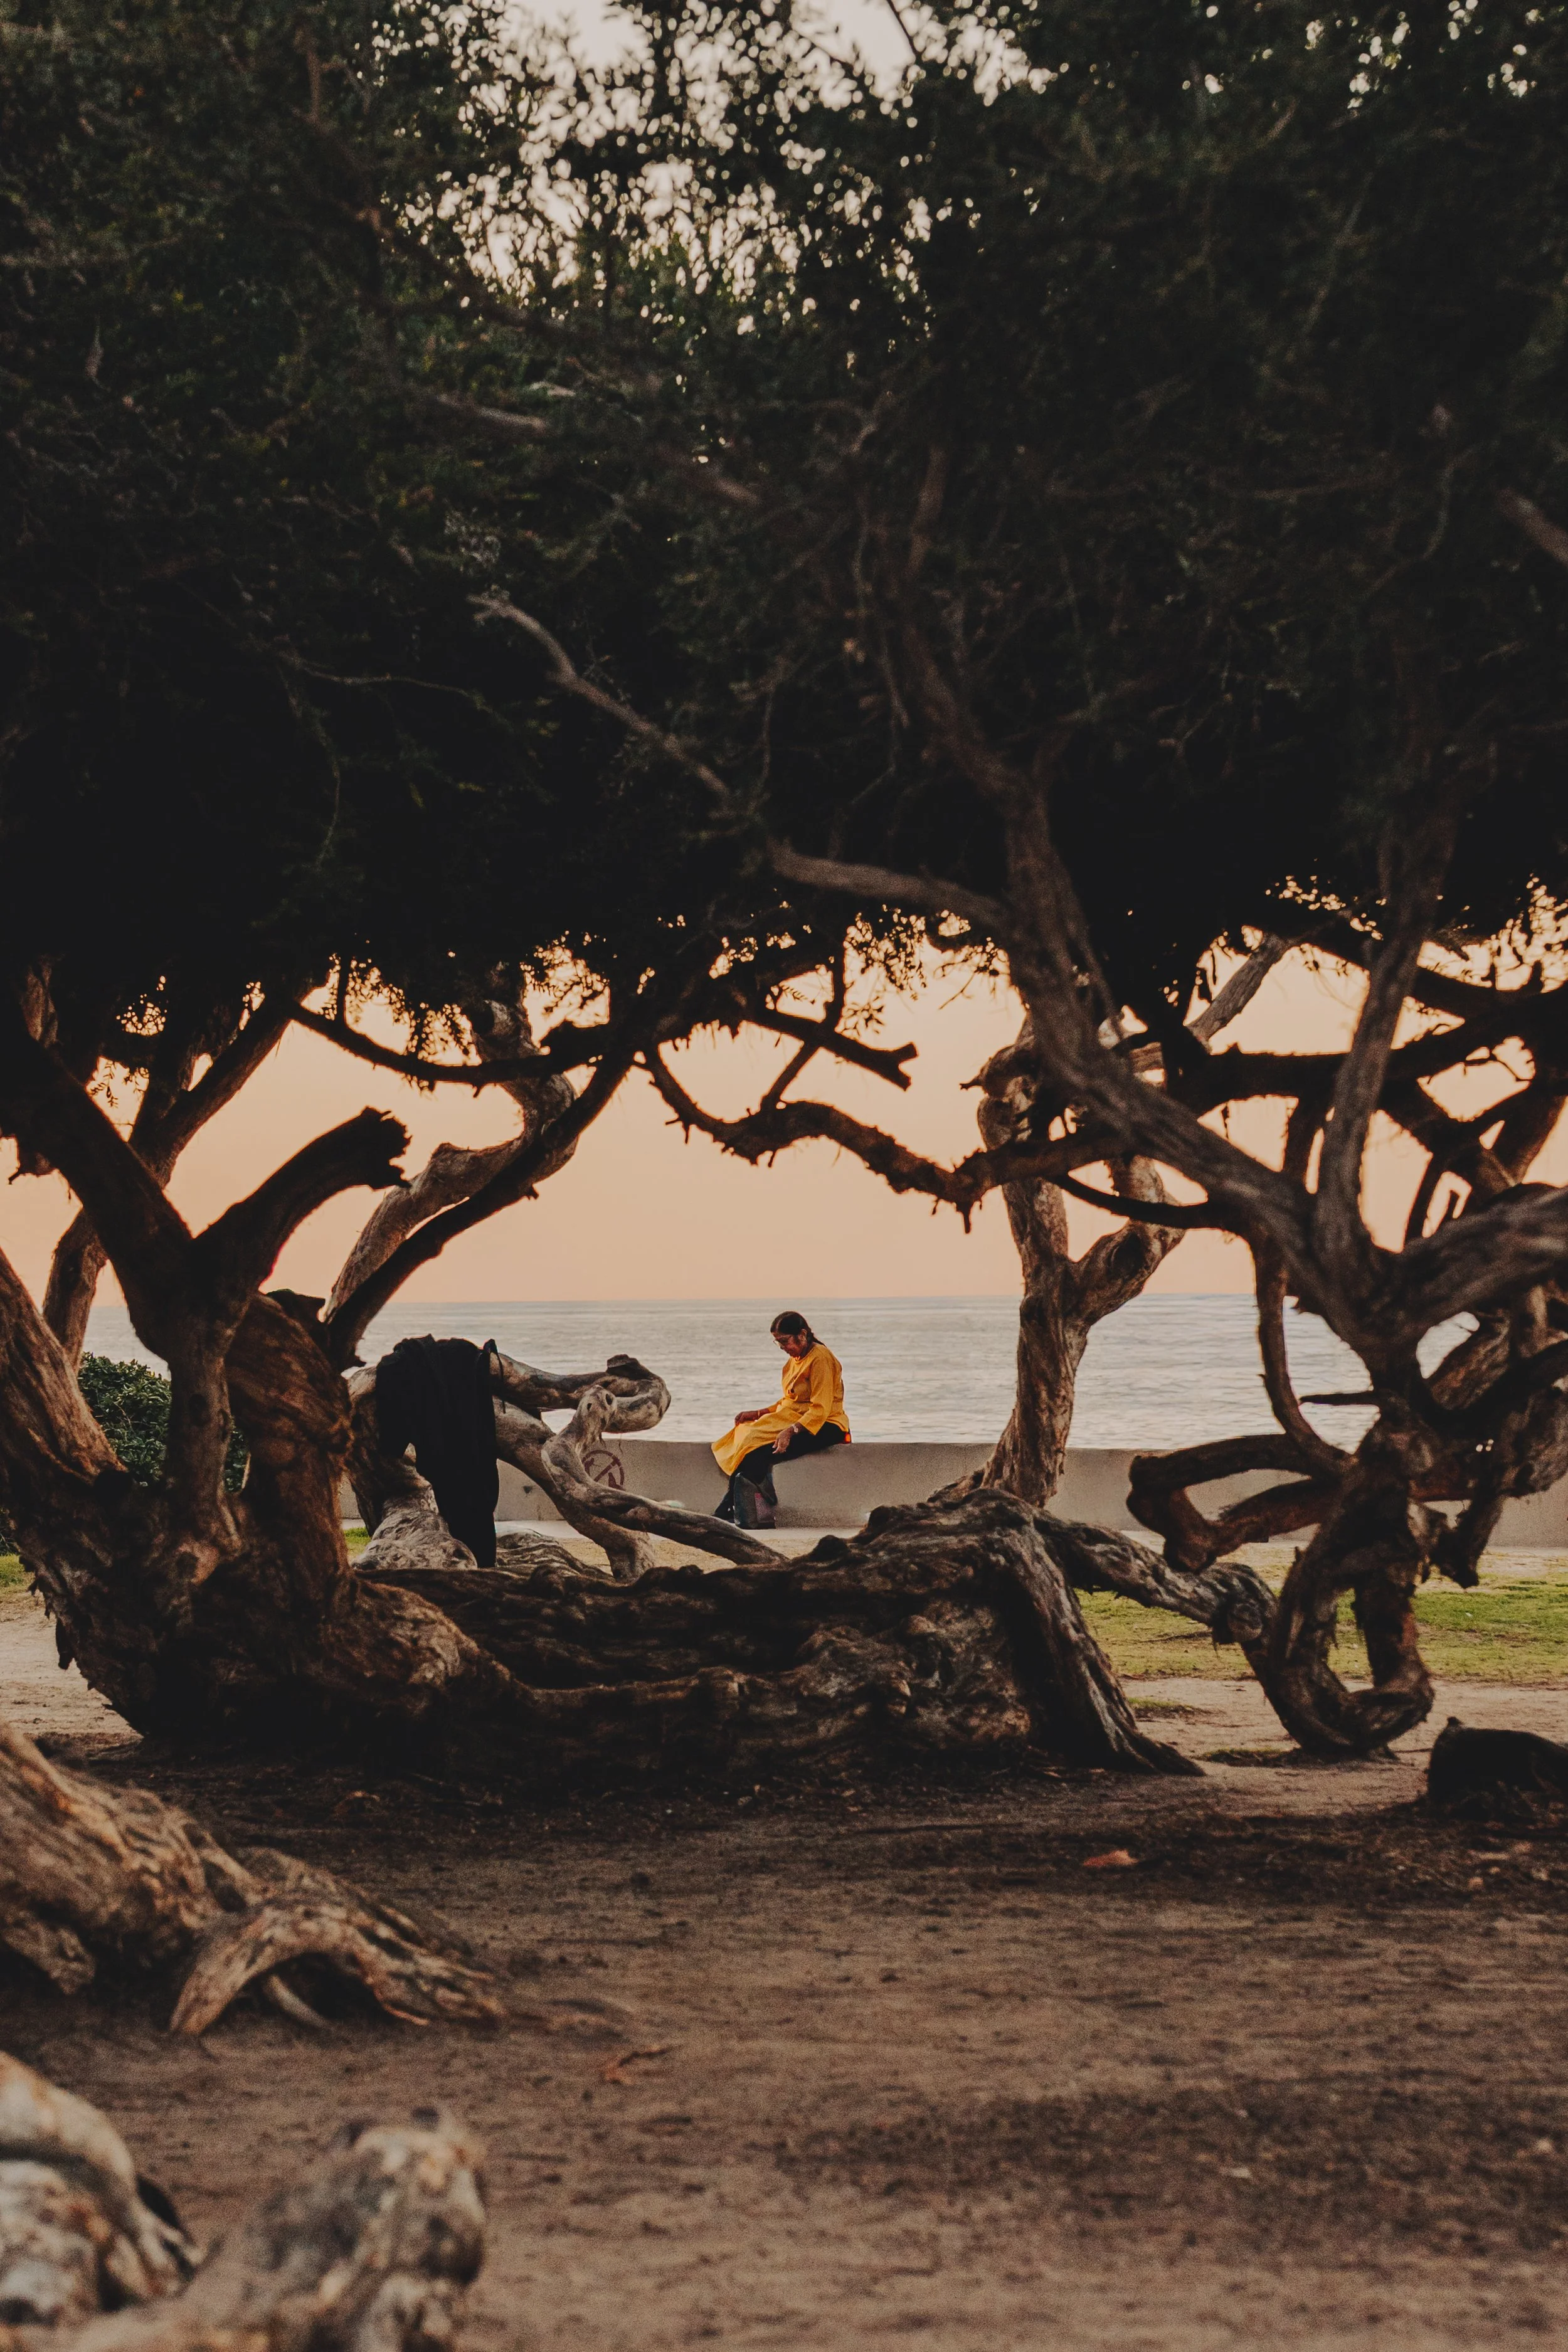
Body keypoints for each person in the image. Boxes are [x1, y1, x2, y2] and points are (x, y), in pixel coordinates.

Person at [711, 1310, 850, 1527]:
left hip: (825, 1425)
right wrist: (758, 1413)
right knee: (746, 1433)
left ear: (802, 1335)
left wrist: (790, 1431)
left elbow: (820, 1409)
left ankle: (728, 1509)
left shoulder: (820, 1358)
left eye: (785, 1341)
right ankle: (730, 1509)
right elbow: (790, 1400)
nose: (783, 1347)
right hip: (797, 1418)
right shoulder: (796, 1360)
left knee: (757, 1452)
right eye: (778, 1343)